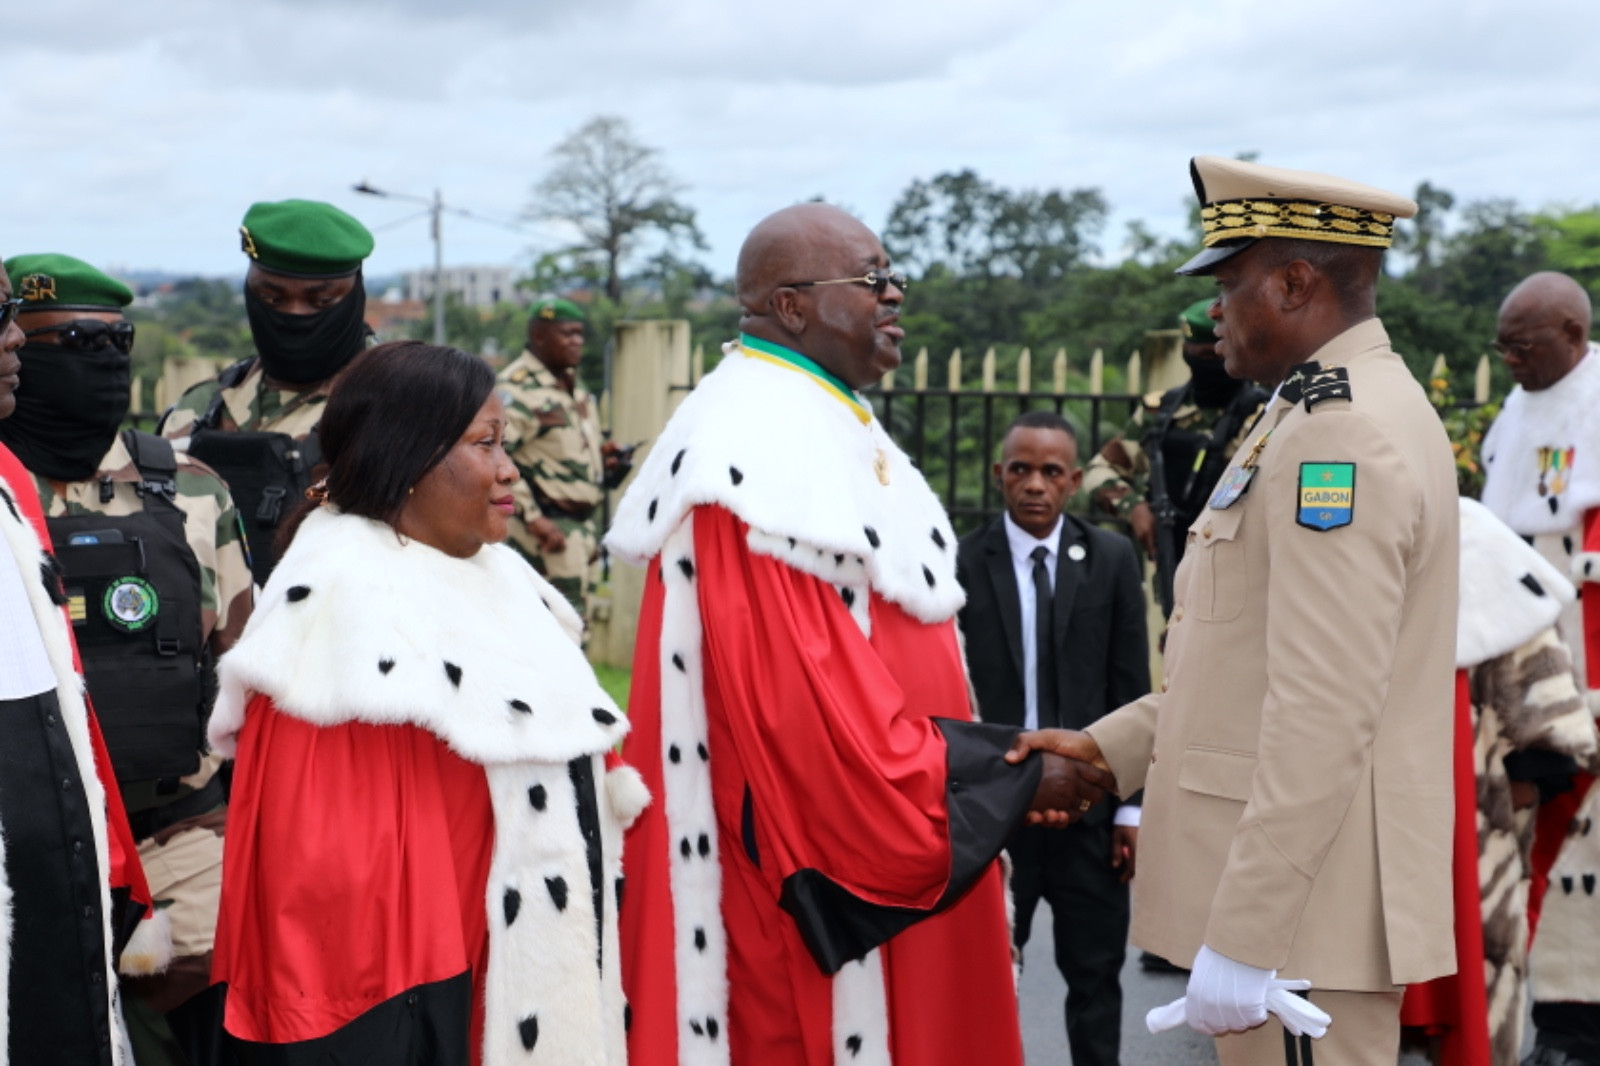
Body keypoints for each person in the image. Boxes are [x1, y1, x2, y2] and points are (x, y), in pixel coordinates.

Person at [605, 202, 1112, 1066]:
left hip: (894, 820)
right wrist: (1006, 780)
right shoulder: (751, 448)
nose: (895, 295)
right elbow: (808, 718)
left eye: (893, 276)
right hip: (809, 890)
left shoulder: (815, 415)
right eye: (872, 279)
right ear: (792, 307)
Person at [1008, 155, 1460, 1065]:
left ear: (1295, 282)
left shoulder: (1341, 431)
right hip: (1303, 903)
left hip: (1301, 921)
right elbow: (1249, 658)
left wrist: (1250, 932)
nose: (1213, 310)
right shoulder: (1309, 408)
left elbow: (1325, 709)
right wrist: (1109, 750)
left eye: (1228, 282)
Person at [209, 341, 648, 1064]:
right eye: (485, 444)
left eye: (505, 443)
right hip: (429, 1012)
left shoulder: (492, 571)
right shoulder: (339, 623)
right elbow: (341, 929)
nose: (510, 469)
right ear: (405, 460)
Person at [0, 253, 254, 1066]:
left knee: (218, 1037)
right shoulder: (6, 497)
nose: (103, 364)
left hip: (178, 839)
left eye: (119, 343)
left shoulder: (191, 490)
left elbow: (245, 675)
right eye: (72, 342)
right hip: (30, 852)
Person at [956, 409, 1150, 1066]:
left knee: (1095, 978)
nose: (1034, 484)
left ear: (1072, 481)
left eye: (1049, 472)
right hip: (992, 814)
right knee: (983, 981)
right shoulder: (959, 563)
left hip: (1089, 812)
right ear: (998, 475)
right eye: (1020, 469)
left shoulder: (1112, 559)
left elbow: (1131, 687)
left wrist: (1131, 808)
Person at [0, 255, 156, 1062]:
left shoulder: (10, 486)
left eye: (115, 343)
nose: (12, 346)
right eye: (8, 326)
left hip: (107, 862)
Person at [1400, 498, 1594, 1066]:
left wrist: (1520, 786)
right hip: (1381, 790)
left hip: (1475, 799)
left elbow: (1545, 695)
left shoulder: (1480, 539)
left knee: (1475, 953)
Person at [1477, 273, 1600, 1066]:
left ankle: (1578, 1022)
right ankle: (1544, 1014)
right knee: (1525, 820)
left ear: (1572, 333)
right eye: (1504, 346)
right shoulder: (1515, 409)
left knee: (1583, 840)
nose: (1510, 359)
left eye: (1523, 345)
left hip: (1582, 630)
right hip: (1515, 626)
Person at [160, 198, 375, 585]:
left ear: (355, 293)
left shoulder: (406, 404)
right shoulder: (199, 408)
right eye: (272, 299)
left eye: (321, 301)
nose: (293, 314)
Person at [1083, 299, 1268, 615]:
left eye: (1215, 354)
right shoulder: (1160, 413)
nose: (1211, 364)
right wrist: (1135, 508)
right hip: (1174, 564)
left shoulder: (1263, 413)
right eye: (1198, 357)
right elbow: (1099, 470)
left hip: (1239, 571)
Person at [497, 296, 628, 618]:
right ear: (539, 336)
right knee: (552, 628)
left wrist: (603, 456)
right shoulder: (518, 390)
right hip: (545, 530)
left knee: (580, 626)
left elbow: (565, 447)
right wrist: (533, 518)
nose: (577, 342)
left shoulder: (572, 384)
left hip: (582, 527)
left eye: (580, 334)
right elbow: (496, 456)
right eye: (567, 334)